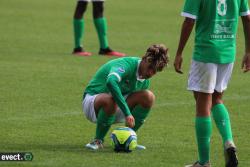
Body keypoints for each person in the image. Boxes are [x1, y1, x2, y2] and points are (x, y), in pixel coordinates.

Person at [174, 0, 250, 166]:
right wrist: (248, 50)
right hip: (228, 53)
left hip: (205, 52)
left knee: (203, 105)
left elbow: (189, 20)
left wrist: (179, 52)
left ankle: (203, 162)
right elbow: (247, 18)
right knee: (217, 99)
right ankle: (228, 141)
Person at [82, 44, 169, 150]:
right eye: (150, 67)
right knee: (110, 99)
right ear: (145, 59)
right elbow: (111, 82)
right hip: (92, 102)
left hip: (116, 105)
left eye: (155, 71)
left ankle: (130, 139)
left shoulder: (145, 81)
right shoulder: (126, 64)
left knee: (148, 96)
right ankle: (97, 141)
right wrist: (127, 113)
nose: (150, 73)